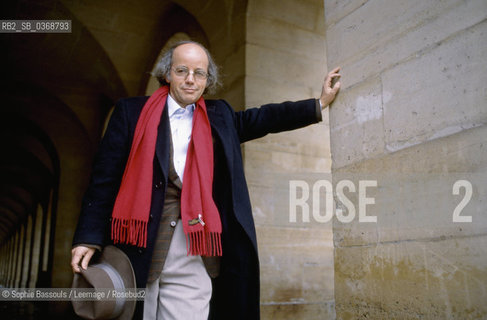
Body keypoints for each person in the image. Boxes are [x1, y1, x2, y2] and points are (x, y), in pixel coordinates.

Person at [71, 40, 341, 320]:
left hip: (195, 245)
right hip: (139, 245)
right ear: (167, 74)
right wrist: (88, 238)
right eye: (182, 70)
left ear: (207, 79)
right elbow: (104, 178)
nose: (191, 79)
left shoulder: (219, 115)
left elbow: (264, 118)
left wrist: (317, 103)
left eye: (199, 73)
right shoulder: (131, 112)